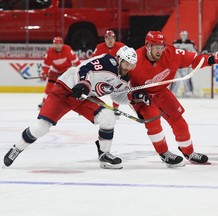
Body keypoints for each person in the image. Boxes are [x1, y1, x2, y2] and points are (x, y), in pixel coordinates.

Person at [3, 46, 139, 169]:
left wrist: (134, 98)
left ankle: (104, 155)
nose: (128, 68)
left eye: (131, 65)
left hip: (84, 97)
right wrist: (84, 83)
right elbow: (85, 69)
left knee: (108, 117)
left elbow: (117, 97)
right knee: (41, 128)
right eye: (126, 63)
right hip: (66, 89)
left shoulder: (124, 80)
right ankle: (17, 148)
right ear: (119, 59)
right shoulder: (108, 62)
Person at [128, 31, 218, 168]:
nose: (160, 51)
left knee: (179, 122)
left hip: (161, 91)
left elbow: (195, 59)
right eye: (156, 47)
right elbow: (121, 80)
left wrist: (216, 57)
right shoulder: (134, 59)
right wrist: (133, 95)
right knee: (153, 120)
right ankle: (164, 153)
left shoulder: (172, 54)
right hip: (142, 96)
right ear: (147, 46)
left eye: (162, 47)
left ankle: (189, 152)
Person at [38, 36, 81, 108]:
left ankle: (76, 102)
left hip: (66, 71)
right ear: (53, 44)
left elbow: (76, 61)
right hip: (55, 71)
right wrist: (44, 74)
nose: (58, 46)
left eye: (59, 44)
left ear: (62, 44)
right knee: (49, 87)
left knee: (70, 87)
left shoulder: (67, 49)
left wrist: (80, 69)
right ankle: (44, 102)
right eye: (56, 44)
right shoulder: (49, 52)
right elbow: (46, 65)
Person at [92, 30, 125, 117]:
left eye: (112, 38)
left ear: (115, 39)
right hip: (103, 73)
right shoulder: (99, 47)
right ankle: (89, 106)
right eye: (108, 38)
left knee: (118, 88)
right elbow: (93, 61)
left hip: (117, 72)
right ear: (105, 39)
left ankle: (116, 107)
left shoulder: (121, 47)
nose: (110, 40)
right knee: (93, 88)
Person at [170, 30, 197, 97]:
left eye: (185, 35)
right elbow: (171, 52)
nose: (183, 36)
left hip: (186, 65)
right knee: (176, 79)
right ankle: (173, 91)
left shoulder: (190, 43)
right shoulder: (175, 43)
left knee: (187, 79)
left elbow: (194, 52)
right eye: (182, 35)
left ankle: (188, 91)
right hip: (177, 65)